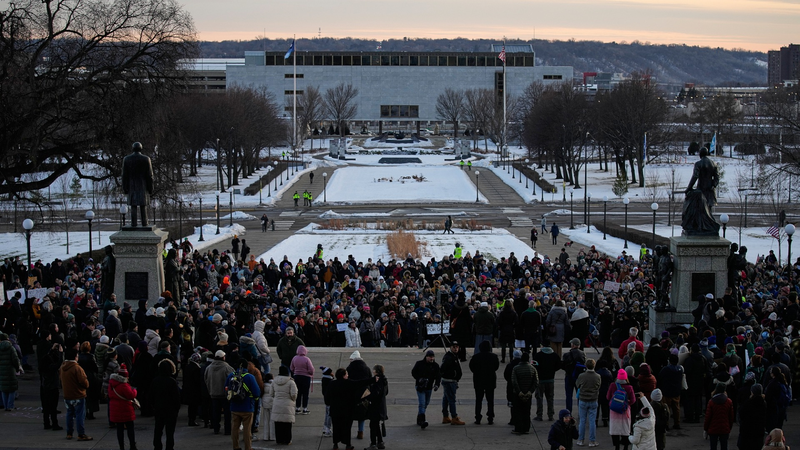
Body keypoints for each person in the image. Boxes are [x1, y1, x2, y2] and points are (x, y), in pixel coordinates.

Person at [227, 359, 261, 450]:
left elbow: (226, 388)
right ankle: (248, 447)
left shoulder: (231, 376)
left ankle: (236, 446)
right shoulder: (250, 377)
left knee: (235, 428)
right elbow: (256, 392)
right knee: (247, 429)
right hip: (247, 406)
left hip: (234, 406)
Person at [61, 347, 92, 441]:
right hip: (78, 394)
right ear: (75, 357)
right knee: (79, 415)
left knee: (69, 414)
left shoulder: (62, 367)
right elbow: (84, 382)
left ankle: (69, 433)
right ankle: (81, 434)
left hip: (67, 394)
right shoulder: (77, 368)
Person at [150, 359, 181, 450]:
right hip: (171, 410)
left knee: (158, 429)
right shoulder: (172, 381)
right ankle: (169, 447)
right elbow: (176, 397)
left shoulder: (155, 381)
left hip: (159, 408)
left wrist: (154, 406)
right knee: (170, 431)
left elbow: (151, 396)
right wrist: (176, 409)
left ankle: (157, 446)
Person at [121, 142, 154, 227]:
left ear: (133, 149)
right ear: (141, 149)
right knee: (143, 206)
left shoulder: (127, 159)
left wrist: (125, 187)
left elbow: (124, 175)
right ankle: (144, 222)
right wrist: (150, 188)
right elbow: (150, 175)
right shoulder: (146, 159)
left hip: (132, 186)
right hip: (143, 186)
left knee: (133, 206)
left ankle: (133, 223)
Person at [469, 340, 500, 424]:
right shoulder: (494, 357)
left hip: (478, 380)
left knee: (478, 400)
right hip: (490, 380)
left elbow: (471, 367)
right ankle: (490, 417)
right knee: (490, 400)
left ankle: (478, 417)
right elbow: (496, 367)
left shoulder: (475, 357)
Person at [205, 350, 234, 435]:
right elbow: (233, 379)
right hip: (224, 394)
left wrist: (210, 390)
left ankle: (216, 429)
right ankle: (227, 429)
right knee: (227, 413)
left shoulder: (209, 368)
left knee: (215, 412)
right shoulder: (227, 367)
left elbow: (206, 379)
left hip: (213, 393)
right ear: (223, 357)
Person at [108, 363, 137, 450]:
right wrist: (135, 390)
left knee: (119, 430)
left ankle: (121, 447)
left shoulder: (112, 384)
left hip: (115, 409)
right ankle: (132, 446)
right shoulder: (124, 385)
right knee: (130, 428)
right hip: (126, 409)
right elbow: (131, 395)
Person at [412, 350, 441, 428]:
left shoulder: (435, 366)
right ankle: (422, 420)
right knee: (422, 403)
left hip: (429, 387)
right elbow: (414, 372)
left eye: (432, 357)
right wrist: (419, 379)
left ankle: (419, 417)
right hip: (420, 387)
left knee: (426, 403)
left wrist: (437, 385)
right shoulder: (419, 364)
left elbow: (438, 377)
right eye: (430, 357)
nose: (431, 359)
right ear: (426, 357)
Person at [511, 351, 539, 434]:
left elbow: (514, 381)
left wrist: (519, 392)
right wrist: (530, 391)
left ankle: (518, 428)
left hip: (517, 394)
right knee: (527, 411)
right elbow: (536, 381)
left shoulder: (516, 368)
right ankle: (526, 427)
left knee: (518, 411)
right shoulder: (532, 368)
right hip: (528, 393)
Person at [575, 358, 601, 447]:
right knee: (592, 421)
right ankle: (592, 441)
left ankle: (581, 440)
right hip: (593, 400)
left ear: (586, 366)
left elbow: (577, 385)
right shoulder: (598, 376)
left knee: (582, 421)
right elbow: (598, 386)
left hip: (583, 399)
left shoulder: (581, 376)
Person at [328, 368, 355, 450]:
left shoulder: (332, 384)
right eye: (346, 374)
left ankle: (335, 444)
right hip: (346, 410)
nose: (348, 375)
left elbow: (327, 396)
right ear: (343, 376)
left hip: (335, 410)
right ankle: (347, 444)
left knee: (336, 427)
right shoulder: (348, 383)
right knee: (347, 428)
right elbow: (360, 383)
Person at [608, 369, 635, 450]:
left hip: (614, 411)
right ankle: (626, 446)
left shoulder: (613, 385)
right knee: (625, 429)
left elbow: (608, 397)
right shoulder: (629, 387)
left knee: (615, 429)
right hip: (625, 410)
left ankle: (616, 446)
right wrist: (627, 403)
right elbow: (633, 400)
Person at [534, 342, 561, 422]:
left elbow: (534, 366)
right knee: (550, 398)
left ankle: (539, 415)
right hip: (550, 380)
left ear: (542, 346)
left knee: (539, 398)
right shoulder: (555, 356)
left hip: (540, 380)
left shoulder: (538, 355)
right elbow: (559, 365)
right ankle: (550, 415)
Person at [271, 366, 298, 445]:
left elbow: (271, 393)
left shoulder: (274, 381)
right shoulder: (291, 382)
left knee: (278, 423)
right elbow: (294, 394)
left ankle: (279, 439)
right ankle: (287, 440)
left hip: (277, 403)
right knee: (287, 423)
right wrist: (292, 400)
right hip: (287, 404)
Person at [440, 340, 465, 425]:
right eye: (454, 347)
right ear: (450, 347)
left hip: (450, 380)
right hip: (450, 381)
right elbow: (443, 369)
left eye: (457, 347)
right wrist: (453, 375)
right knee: (451, 400)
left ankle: (445, 416)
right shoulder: (449, 357)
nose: (455, 348)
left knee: (446, 398)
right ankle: (454, 417)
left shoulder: (453, 356)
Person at [704, 383, 734, 450]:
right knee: (724, 446)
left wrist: (706, 428)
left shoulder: (711, 402)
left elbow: (708, 417)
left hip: (713, 427)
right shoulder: (729, 402)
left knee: (713, 446)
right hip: (724, 427)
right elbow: (731, 417)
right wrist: (729, 427)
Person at [737, 383, 766, 450]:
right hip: (758, 432)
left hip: (747, 432)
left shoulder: (747, 403)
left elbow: (741, 415)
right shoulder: (763, 404)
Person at [366, 365, 388, 450]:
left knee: (373, 424)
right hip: (381, 405)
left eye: (373, 370)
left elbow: (375, 393)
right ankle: (380, 441)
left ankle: (373, 444)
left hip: (375, 406)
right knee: (376, 424)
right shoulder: (384, 379)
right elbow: (385, 392)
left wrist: (368, 396)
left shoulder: (377, 380)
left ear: (376, 371)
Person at [562, 337, 586, 413]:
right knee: (580, 395)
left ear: (573, 345)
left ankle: (569, 412)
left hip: (569, 376)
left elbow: (563, 365)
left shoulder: (566, 355)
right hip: (579, 377)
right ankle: (580, 412)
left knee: (569, 395)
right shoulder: (582, 354)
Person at [289, 345, 314, 415]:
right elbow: (311, 369)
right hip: (306, 377)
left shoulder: (294, 358)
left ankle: (297, 408)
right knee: (305, 393)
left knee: (298, 393)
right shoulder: (307, 359)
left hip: (297, 376)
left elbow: (291, 367)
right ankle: (305, 408)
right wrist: (310, 373)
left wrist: (296, 371)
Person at [0, 332, 21, 411]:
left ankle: (5, 406)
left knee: (3, 389)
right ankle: (10, 406)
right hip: (10, 370)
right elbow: (15, 359)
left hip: (1, 371)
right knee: (12, 389)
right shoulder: (11, 348)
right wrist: (17, 368)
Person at [260, 373, 275, 441]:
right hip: (272, 403)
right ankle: (272, 436)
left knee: (266, 420)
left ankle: (266, 436)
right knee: (272, 420)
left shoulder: (263, 385)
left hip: (265, 402)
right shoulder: (273, 385)